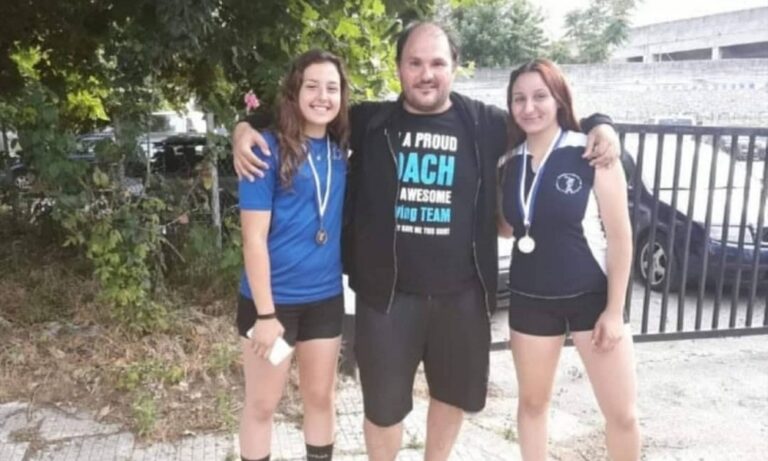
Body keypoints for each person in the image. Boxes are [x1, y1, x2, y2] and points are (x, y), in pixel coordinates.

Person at [232, 22, 620, 461]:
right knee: (382, 409)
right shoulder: (371, 121)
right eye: (414, 63)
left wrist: (602, 125)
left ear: (454, 66)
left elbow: (545, 117)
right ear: (399, 67)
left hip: (461, 298)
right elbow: (308, 113)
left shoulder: (485, 123)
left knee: (451, 397)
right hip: (387, 298)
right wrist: (244, 127)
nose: (426, 74)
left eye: (437, 63)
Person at [497, 58, 640, 461]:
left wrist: (614, 311)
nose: (529, 107)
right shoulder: (508, 162)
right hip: (530, 298)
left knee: (622, 415)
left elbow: (621, 237)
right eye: (519, 99)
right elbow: (506, 227)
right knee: (532, 405)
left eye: (540, 96)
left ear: (559, 98)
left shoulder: (591, 152)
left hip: (591, 298)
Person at [236, 49, 349, 461]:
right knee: (262, 404)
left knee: (320, 398)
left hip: (324, 299)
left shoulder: (341, 149)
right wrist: (266, 315)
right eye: (312, 86)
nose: (322, 96)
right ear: (295, 92)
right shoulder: (265, 149)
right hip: (273, 303)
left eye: (332, 88)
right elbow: (253, 239)